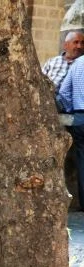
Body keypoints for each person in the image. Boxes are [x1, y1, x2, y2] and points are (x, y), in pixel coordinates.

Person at [57, 55, 84, 210]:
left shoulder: (78, 63)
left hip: (80, 117)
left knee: (82, 160)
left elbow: (64, 92)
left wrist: (69, 110)